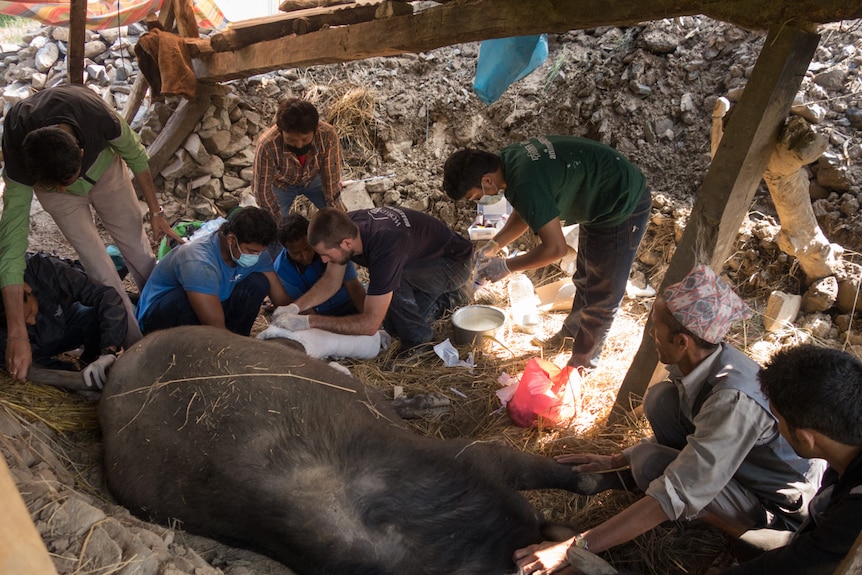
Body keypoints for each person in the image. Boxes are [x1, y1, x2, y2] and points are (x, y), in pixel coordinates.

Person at [514, 265, 824, 575]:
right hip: (740, 466)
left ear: (682, 341)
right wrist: (615, 459)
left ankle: (734, 531)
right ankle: (666, 488)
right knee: (660, 400)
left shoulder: (732, 401)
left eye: (656, 328)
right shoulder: (706, 360)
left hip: (775, 506)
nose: (652, 335)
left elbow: (673, 494)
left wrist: (572, 548)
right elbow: (700, 439)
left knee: (651, 464)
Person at [0, 84, 181, 382]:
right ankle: (139, 352)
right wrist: (17, 335)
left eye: (66, 181)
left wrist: (156, 213)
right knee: (100, 270)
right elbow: (12, 243)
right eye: (54, 184)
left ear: (80, 152)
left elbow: (136, 155)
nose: (63, 188)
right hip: (59, 190)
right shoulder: (21, 154)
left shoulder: (94, 114)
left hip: (104, 170)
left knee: (137, 250)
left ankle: (168, 324)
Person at [442, 136, 652, 371]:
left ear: (487, 181)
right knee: (584, 278)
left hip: (622, 203)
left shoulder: (524, 182)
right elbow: (528, 209)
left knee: (602, 295)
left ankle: (582, 366)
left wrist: (507, 267)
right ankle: (570, 334)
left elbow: (556, 249)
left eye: (475, 196)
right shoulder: (507, 161)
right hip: (599, 197)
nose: (479, 201)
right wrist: (495, 244)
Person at [719, 344, 862, 574]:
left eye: (777, 419)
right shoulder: (846, 445)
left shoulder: (853, 519)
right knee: (749, 546)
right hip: (815, 540)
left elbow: (802, 563)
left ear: (806, 439)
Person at [274, 206, 472, 352]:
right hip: (421, 260)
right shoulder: (343, 228)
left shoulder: (385, 247)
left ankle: (418, 344)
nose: (323, 260)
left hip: (452, 264)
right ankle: (449, 298)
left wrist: (310, 322)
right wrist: (294, 308)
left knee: (396, 285)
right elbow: (330, 281)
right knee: (395, 326)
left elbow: (369, 325)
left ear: (346, 243)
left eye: (326, 254)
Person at [136, 207, 292, 336]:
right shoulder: (198, 261)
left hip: (212, 304)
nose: (256, 256)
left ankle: (238, 338)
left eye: (260, 251)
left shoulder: (254, 250)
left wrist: (305, 318)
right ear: (231, 239)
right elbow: (215, 326)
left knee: (258, 283)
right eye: (251, 251)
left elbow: (282, 300)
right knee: (186, 301)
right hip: (160, 319)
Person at [0, 253, 127, 390]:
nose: (32, 321)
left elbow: (105, 295)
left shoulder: (43, 269)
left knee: (94, 315)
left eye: (30, 312)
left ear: (26, 288)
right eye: (22, 321)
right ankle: (78, 377)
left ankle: (92, 362)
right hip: (32, 349)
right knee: (19, 366)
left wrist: (109, 348)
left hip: (65, 322)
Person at [252, 98, 346, 220]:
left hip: (314, 179)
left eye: (305, 139)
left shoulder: (328, 136)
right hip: (281, 185)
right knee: (272, 226)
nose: (299, 145)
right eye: (291, 140)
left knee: (338, 218)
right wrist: (278, 223)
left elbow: (331, 181)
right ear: (280, 132)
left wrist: (337, 216)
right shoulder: (267, 145)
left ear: (315, 131)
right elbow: (262, 191)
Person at [274, 213, 365, 317]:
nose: (304, 256)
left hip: (348, 302)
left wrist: (366, 317)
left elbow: (353, 286)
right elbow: (305, 310)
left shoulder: (332, 246)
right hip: (321, 314)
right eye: (296, 253)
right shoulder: (281, 271)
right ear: (285, 248)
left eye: (307, 248)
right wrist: (323, 329)